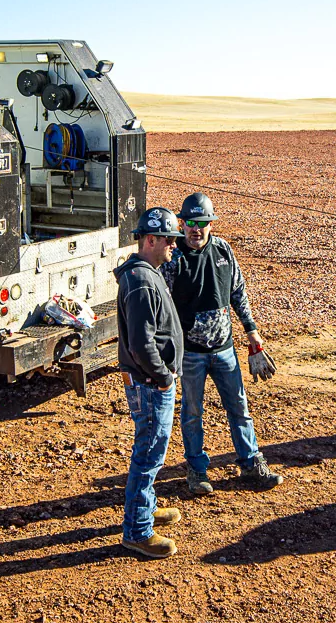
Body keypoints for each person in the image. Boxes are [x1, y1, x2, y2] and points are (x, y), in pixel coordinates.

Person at [165, 192, 280, 495]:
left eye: (202, 222)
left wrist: (252, 331)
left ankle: (252, 464)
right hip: (190, 355)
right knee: (192, 413)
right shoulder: (172, 259)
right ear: (182, 223)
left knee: (239, 407)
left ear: (210, 224)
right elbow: (160, 306)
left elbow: (238, 292)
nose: (195, 229)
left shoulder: (223, 251)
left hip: (224, 350)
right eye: (190, 222)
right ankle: (197, 471)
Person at [114, 206, 187, 559]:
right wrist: (162, 377)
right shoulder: (141, 280)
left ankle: (146, 506)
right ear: (151, 239)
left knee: (151, 451)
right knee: (148, 453)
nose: (173, 245)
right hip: (149, 383)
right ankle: (138, 531)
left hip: (148, 381)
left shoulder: (146, 273)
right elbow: (141, 343)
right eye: (169, 240)